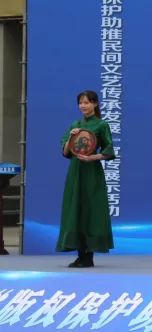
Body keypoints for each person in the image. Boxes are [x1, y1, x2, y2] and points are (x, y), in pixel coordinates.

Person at [57, 90, 115, 268]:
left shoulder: (101, 125)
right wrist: (71, 137)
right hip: (75, 172)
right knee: (75, 209)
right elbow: (65, 152)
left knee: (91, 210)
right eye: (80, 103)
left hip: (91, 172)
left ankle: (88, 257)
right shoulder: (75, 124)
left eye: (87, 102)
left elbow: (109, 151)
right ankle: (80, 255)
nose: (83, 106)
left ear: (95, 104)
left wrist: (92, 158)